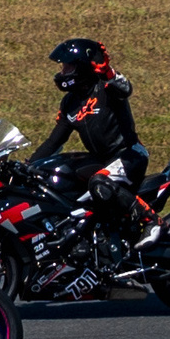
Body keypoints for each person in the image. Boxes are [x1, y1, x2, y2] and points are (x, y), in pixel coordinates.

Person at [28, 38, 156, 242]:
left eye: (67, 67)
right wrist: (27, 167)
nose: (62, 73)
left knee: (98, 182)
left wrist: (109, 73)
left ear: (81, 68)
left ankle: (151, 221)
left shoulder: (106, 88)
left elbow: (125, 88)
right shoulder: (70, 103)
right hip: (102, 161)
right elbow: (54, 142)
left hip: (129, 156)